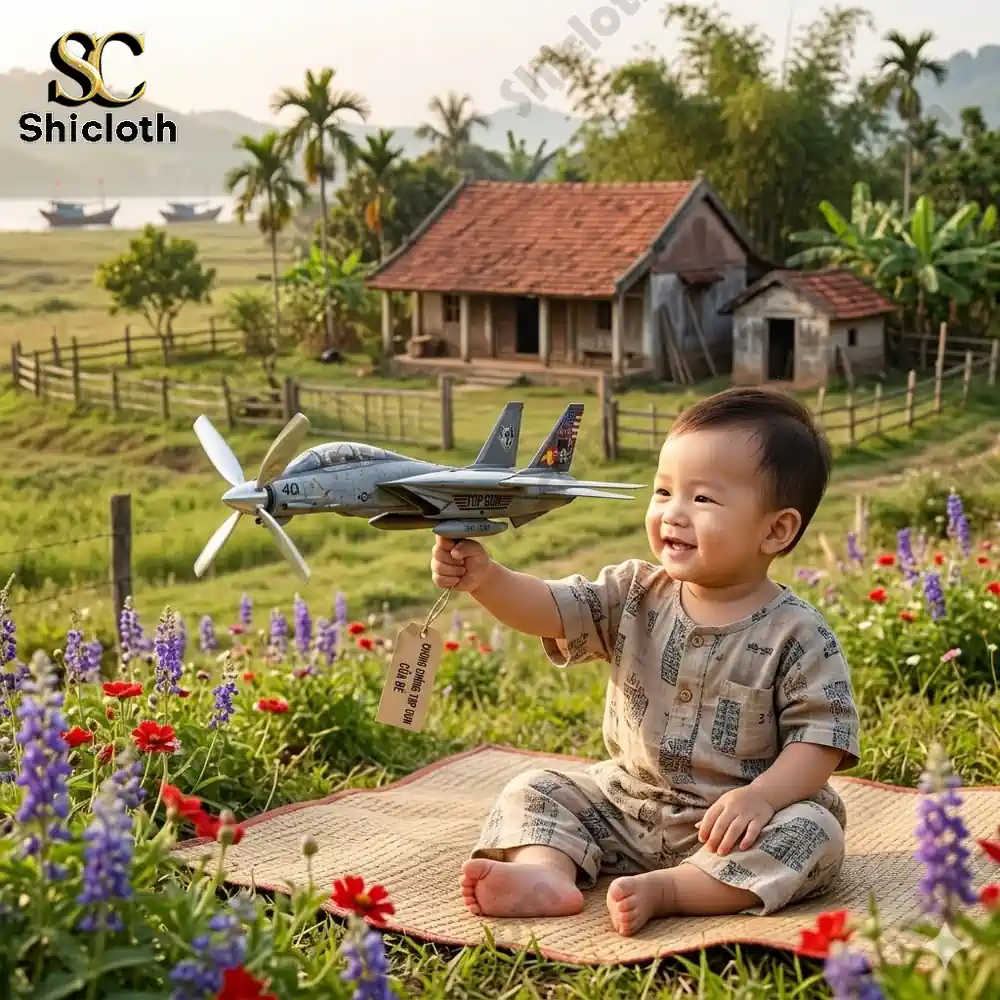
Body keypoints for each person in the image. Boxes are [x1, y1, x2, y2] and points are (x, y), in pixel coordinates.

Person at [429, 386, 862, 937]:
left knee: (813, 833)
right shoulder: (634, 590)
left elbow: (820, 738)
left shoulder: (798, 632)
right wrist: (485, 579)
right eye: (663, 491)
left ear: (775, 529)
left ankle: (678, 889)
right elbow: (551, 610)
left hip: (740, 824)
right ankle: (545, 874)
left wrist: (762, 796)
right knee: (536, 787)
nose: (673, 514)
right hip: (628, 800)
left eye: (702, 500)